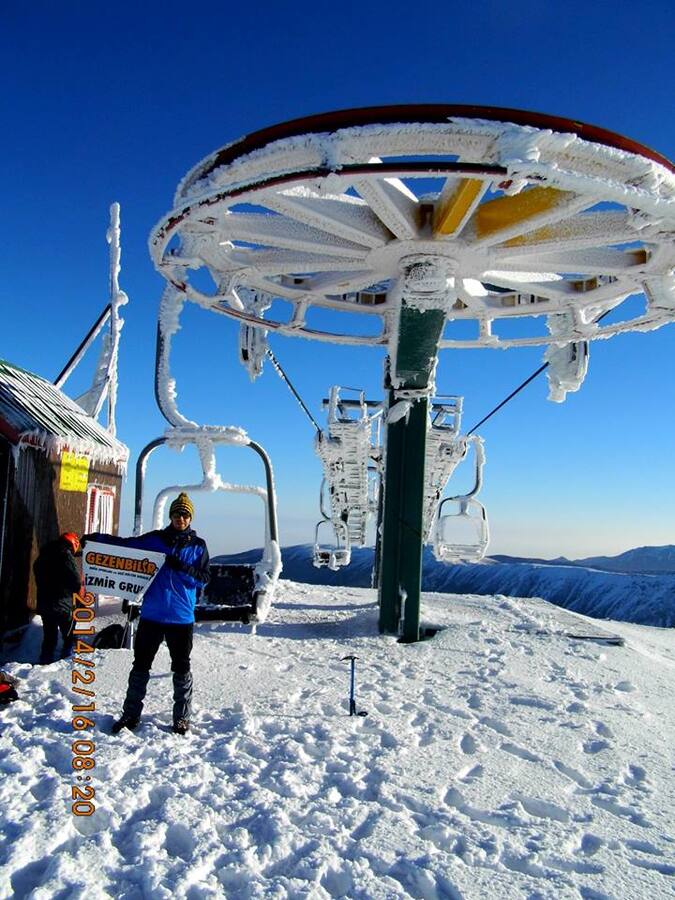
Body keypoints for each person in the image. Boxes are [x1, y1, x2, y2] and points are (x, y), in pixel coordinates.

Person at [85, 492, 209, 735]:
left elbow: (204, 578)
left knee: (181, 668)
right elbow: (125, 547)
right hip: (152, 615)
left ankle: (181, 718)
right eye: (177, 514)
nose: (181, 519)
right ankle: (130, 715)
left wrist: (182, 567)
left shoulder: (198, 546)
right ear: (171, 516)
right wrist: (94, 541)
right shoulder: (155, 540)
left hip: (181, 618)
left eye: (185, 515)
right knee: (140, 666)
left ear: (190, 518)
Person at [33, 532, 82, 663]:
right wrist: (74, 592)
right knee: (69, 635)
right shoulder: (65, 555)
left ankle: (44, 663)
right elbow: (75, 580)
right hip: (63, 602)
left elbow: (36, 571)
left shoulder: (44, 554)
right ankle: (66, 663)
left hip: (45, 602)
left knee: (49, 637)